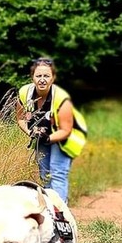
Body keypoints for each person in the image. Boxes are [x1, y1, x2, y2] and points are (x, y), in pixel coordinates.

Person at [16, 57, 75, 203]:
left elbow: (66, 130)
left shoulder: (61, 98)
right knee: (44, 174)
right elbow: (21, 119)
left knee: (57, 172)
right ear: (32, 78)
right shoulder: (24, 93)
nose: (42, 80)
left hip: (63, 136)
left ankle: (61, 214)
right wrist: (31, 132)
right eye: (39, 76)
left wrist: (48, 138)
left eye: (46, 76)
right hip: (41, 136)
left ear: (53, 78)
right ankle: (50, 208)